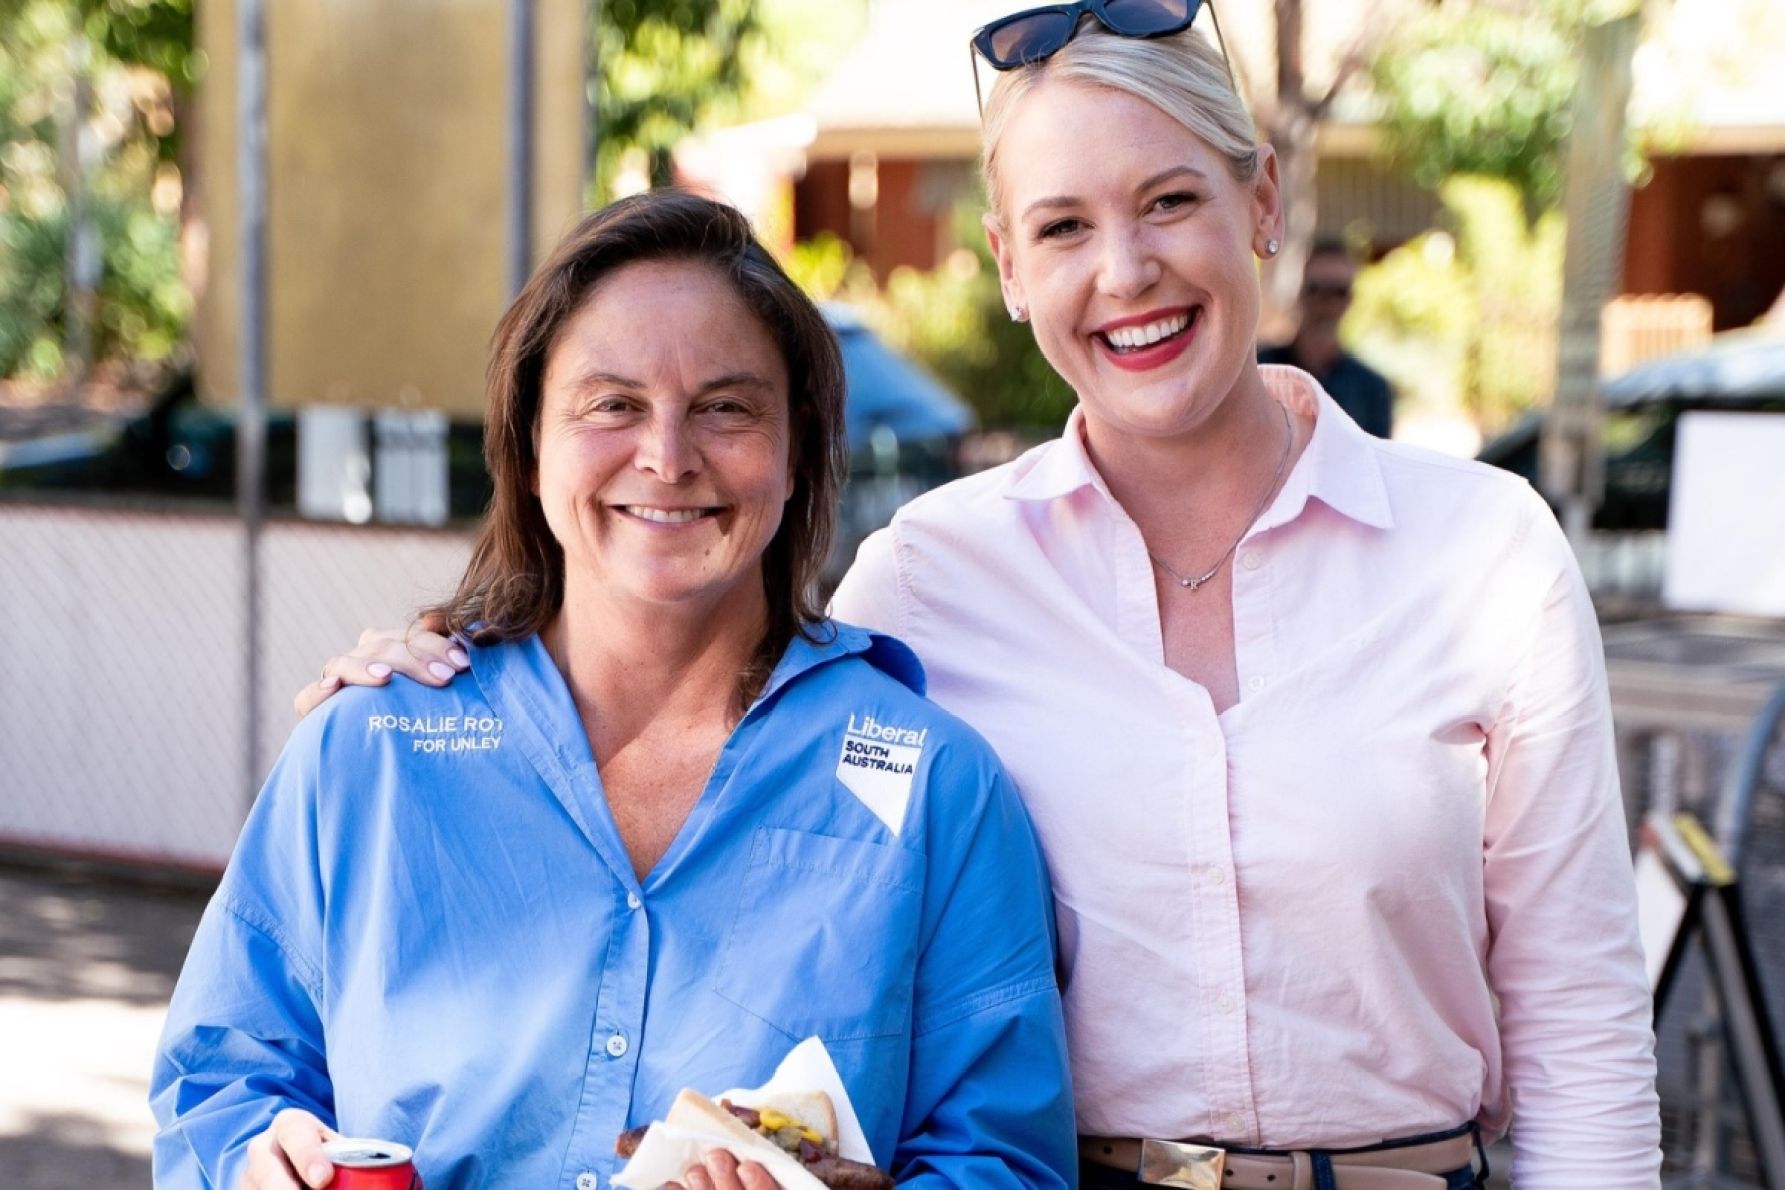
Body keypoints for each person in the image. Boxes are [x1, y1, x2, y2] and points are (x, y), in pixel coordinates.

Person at [299, 5, 1663, 1188]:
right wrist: (459, 665)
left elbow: (1579, 1023)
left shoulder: (1482, 554)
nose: (1122, 272)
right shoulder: (927, 579)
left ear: (1260, 204)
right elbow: (694, 697)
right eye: (1063, 226)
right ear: (1010, 269)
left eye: (1169, 201)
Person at [151, 191, 1076, 1190]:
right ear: (531, 437)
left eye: (726, 406)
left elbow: (1005, 1159)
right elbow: (219, 1080)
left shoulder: (937, 787)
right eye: (612, 403)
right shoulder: (368, 751)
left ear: (798, 442)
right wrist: (257, 1159)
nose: (668, 457)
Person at [1258, 238, 1394, 437]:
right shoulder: (1259, 371)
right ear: (1299, 291)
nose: (1327, 301)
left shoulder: (1371, 389)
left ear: (1351, 300)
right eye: (1316, 288)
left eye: (1338, 291)